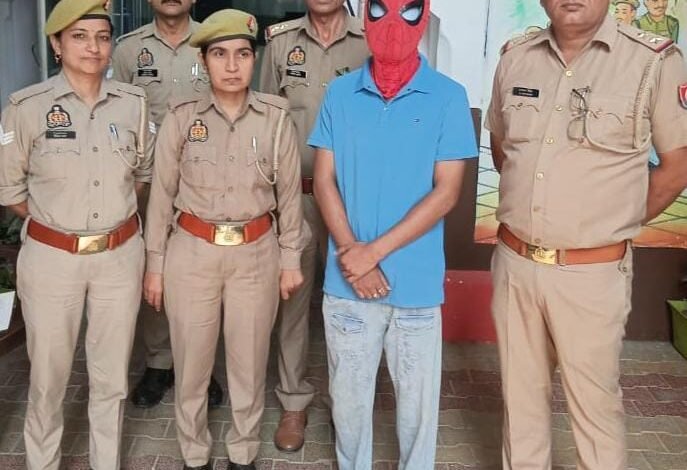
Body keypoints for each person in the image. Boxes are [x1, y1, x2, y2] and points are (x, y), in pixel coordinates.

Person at [486, 1, 687, 468]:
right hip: (515, 264)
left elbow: (677, 167)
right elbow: (503, 151)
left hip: (591, 274)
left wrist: (609, 223)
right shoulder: (516, 56)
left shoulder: (652, 60)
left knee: (594, 410)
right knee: (520, 403)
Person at [309, 0, 477, 468]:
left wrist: (373, 253)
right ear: (364, 15)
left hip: (415, 286)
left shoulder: (448, 96)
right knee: (348, 406)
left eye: (408, 11)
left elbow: (447, 192)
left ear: (425, 16)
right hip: (347, 284)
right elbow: (323, 181)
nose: (392, 25)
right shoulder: (340, 94)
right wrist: (352, 254)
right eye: (380, 9)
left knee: (418, 414)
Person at [143, 9, 309, 470]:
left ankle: (243, 452)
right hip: (191, 253)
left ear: (255, 59)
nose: (232, 66)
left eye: (242, 54)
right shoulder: (182, 117)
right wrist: (155, 265)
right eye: (219, 54)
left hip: (256, 254)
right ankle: (194, 454)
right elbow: (161, 196)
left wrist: (290, 259)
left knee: (248, 364)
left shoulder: (275, 118)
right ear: (204, 60)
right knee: (191, 366)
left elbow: (289, 196)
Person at [0, 0, 154, 468]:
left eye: (103, 37)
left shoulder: (133, 103)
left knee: (111, 379)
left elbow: (142, 175)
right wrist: (60, 223)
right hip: (53, 261)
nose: (94, 47)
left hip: (118, 257)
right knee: (48, 379)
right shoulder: (26, 107)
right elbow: (10, 189)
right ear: (56, 43)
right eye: (80, 36)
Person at [259, 0, 369, 452]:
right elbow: (264, 119)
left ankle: (350, 404)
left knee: (354, 305)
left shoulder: (370, 41)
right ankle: (293, 401)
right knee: (293, 302)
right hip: (296, 198)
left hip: (353, 200)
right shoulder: (280, 43)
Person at [111, 0, 222, 409]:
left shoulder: (213, 43)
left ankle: (202, 364)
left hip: (205, 183)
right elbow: (117, 114)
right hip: (149, 181)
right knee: (154, 269)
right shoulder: (128, 49)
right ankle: (159, 362)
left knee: (204, 276)